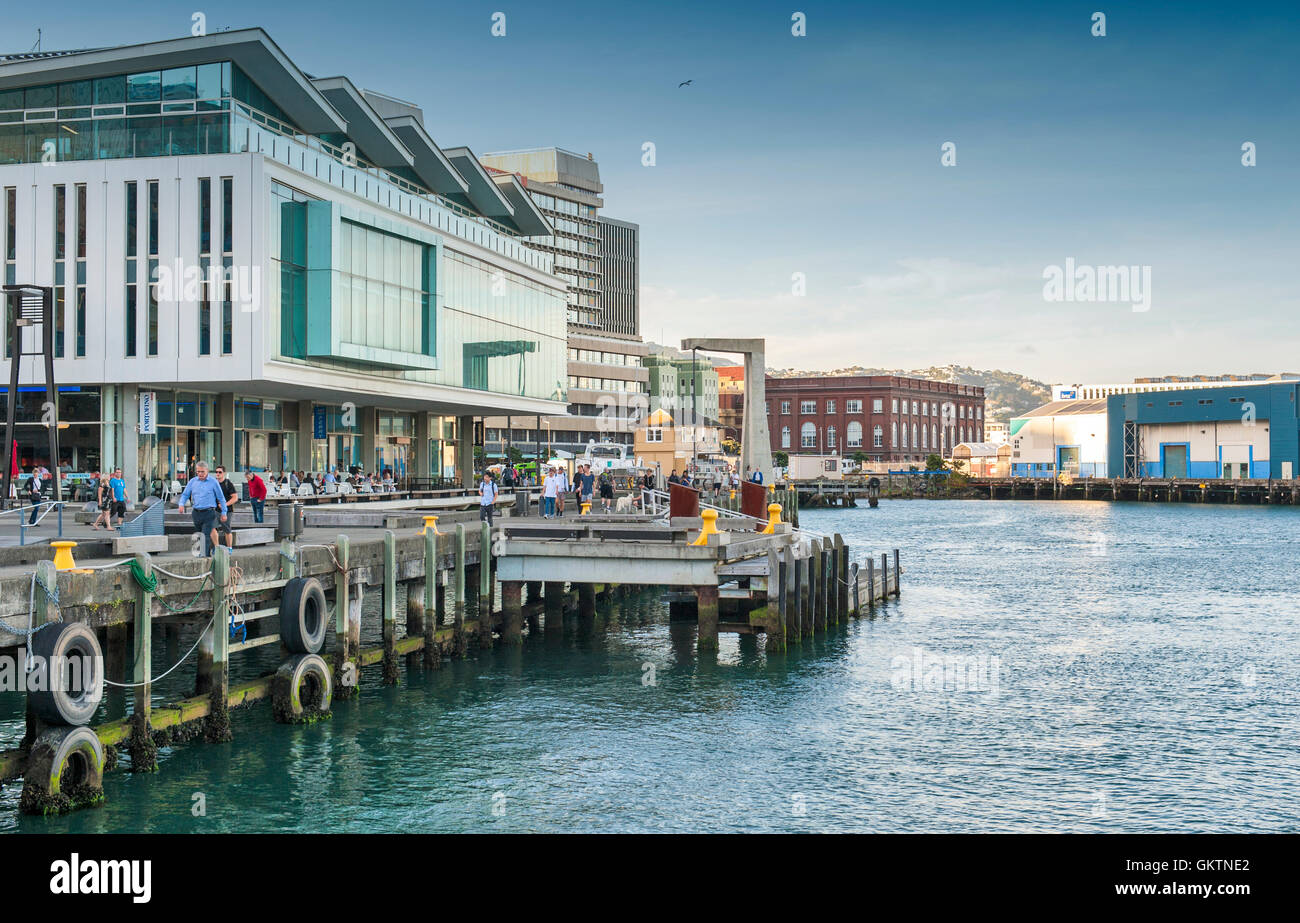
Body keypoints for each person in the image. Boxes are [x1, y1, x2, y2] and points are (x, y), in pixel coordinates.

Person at [176, 461, 228, 557]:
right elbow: (185, 494)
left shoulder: (213, 482)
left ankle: (204, 555)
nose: (200, 474)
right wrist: (181, 504)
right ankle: (203, 553)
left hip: (209, 512)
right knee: (199, 534)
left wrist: (224, 512)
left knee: (206, 534)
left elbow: (221, 498)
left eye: (202, 472)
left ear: (207, 471)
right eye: (198, 472)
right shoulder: (193, 482)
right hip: (196, 512)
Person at [213, 466, 240, 548]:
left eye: (220, 472)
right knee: (212, 527)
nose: (217, 473)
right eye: (216, 472)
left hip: (227, 511)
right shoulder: (214, 483)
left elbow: (235, 498)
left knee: (226, 529)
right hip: (215, 510)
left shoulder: (228, 484)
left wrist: (225, 505)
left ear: (224, 473)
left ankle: (229, 548)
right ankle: (216, 547)